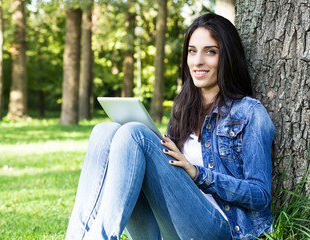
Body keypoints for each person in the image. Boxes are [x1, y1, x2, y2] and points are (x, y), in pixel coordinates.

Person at [66, 13, 275, 240]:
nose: (197, 61)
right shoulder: (184, 107)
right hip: (171, 227)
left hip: (222, 228)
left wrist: (197, 174)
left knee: (135, 134)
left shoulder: (250, 113)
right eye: (192, 51)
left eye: (210, 51)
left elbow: (260, 194)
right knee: (103, 131)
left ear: (228, 57)